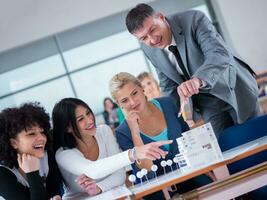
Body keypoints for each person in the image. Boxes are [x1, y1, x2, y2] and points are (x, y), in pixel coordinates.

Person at [125, 3, 260, 137]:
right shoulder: (148, 49)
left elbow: (217, 53)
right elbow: (168, 84)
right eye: (144, 38)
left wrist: (197, 80)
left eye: (153, 30)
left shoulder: (194, 19)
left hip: (233, 87)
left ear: (161, 17)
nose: (152, 40)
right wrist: (167, 116)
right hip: (206, 103)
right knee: (225, 147)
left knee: (256, 139)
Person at [109, 72, 211, 199]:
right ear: (120, 105)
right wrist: (134, 132)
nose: (132, 102)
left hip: (189, 176)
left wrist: (206, 170)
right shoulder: (122, 132)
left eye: (134, 93)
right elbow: (147, 170)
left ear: (141, 88)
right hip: (157, 191)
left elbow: (187, 137)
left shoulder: (167, 103)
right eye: (125, 100)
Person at [52, 97, 172, 199]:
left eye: (88, 113)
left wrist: (99, 188)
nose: (90, 120)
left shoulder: (104, 131)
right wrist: (133, 153)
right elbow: (93, 170)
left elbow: (120, 175)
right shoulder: (63, 153)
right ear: (68, 128)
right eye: (81, 119)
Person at [0, 102, 62, 200]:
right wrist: (32, 173)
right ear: (14, 143)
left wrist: (55, 196)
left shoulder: (47, 155)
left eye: (42, 132)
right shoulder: (2, 174)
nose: (42, 138)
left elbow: (53, 190)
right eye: (31, 134)